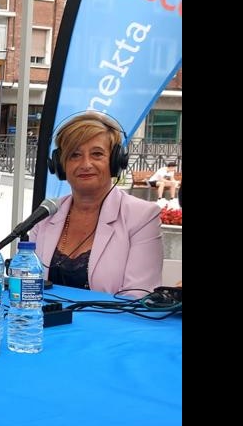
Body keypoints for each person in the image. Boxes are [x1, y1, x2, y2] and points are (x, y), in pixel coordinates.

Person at [30, 110, 163, 295]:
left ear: (115, 161)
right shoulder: (46, 215)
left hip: (113, 316)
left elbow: (138, 296)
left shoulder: (142, 217)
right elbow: (27, 283)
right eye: (74, 155)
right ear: (60, 165)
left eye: (97, 154)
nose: (85, 164)